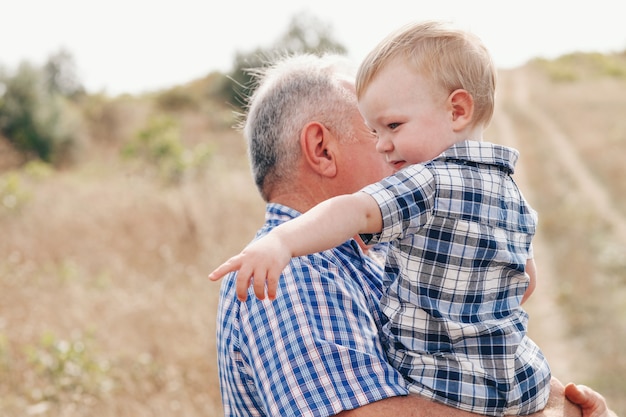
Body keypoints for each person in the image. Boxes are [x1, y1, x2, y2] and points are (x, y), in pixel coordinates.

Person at [210, 52, 615, 416]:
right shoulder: (289, 273)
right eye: (376, 130)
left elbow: (474, 351)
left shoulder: (370, 253)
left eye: (394, 125)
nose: (394, 149)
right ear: (322, 149)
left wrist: (560, 400)